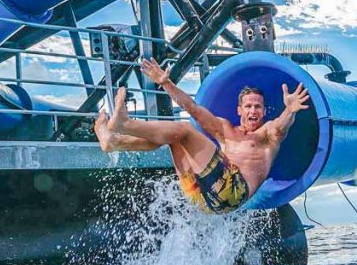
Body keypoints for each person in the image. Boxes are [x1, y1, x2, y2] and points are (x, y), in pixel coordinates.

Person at [94, 58, 310, 214]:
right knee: (174, 137)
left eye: (258, 107)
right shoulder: (225, 129)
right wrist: (165, 83)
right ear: (239, 110)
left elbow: (280, 128)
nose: (253, 111)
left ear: (264, 111)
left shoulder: (266, 135)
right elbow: (194, 108)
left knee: (185, 130)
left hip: (234, 193)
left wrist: (289, 110)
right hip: (199, 197)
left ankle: (126, 125)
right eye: (248, 106)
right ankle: (115, 142)